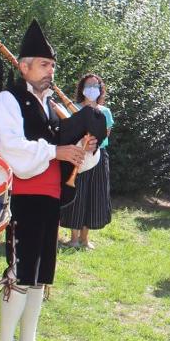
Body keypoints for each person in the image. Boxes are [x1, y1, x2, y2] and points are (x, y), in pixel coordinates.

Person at [0, 20, 104, 341]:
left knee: (40, 276)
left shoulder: (52, 105)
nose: (49, 71)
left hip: (50, 196)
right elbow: (12, 149)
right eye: (42, 64)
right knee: (20, 272)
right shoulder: (8, 101)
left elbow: (77, 156)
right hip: (23, 196)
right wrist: (57, 150)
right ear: (23, 66)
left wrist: (86, 147)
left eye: (52, 66)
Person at [60, 72, 113, 248]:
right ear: (82, 89)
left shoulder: (105, 111)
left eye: (95, 86)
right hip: (76, 155)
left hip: (97, 157)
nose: (92, 89)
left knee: (93, 196)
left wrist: (91, 142)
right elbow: (67, 133)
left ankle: (85, 239)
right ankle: (73, 238)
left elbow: (104, 135)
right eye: (88, 85)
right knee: (77, 195)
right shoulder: (72, 107)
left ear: (100, 89)